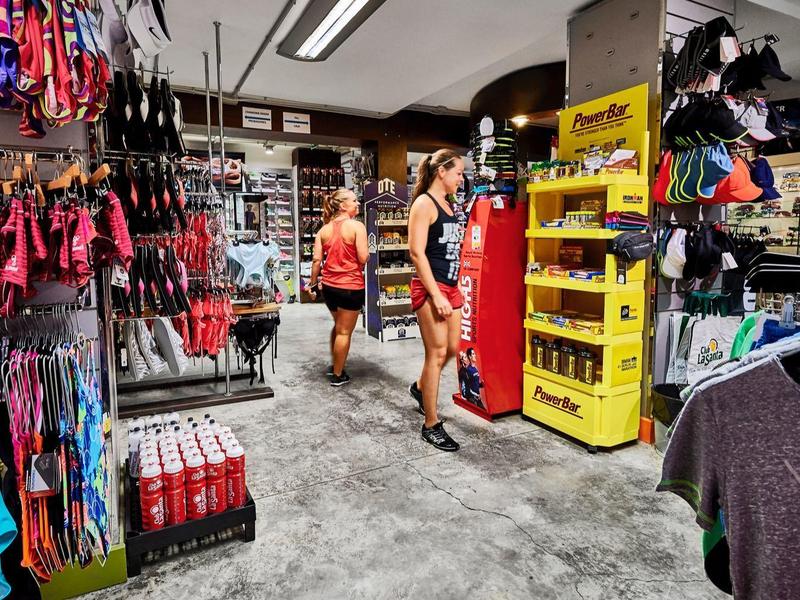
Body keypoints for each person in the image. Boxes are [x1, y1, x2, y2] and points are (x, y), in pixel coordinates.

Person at [407, 149, 465, 451]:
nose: (461, 177)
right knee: (437, 353)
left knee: (453, 349)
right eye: (458, 172)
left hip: (451, 287)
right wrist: (437, 293)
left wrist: (456, 287)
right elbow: (417, 252)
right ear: (441, 172)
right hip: (431, 289)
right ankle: (430, 424)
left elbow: (451, 248)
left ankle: (420, 388)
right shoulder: (424, 204)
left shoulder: (449, 204)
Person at [309, 189, 368, 387]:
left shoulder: (323, 230)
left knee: (339, 326)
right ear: (342, 205)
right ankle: (338, 374)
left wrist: (312, 284)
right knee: (344, 331)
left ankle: (336, 363)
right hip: (350, 287)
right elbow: (363, 257)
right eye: (354, 200)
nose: (357, 203)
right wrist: (362, 261)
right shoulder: (357, 226)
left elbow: (317, 260)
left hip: (329, 289)